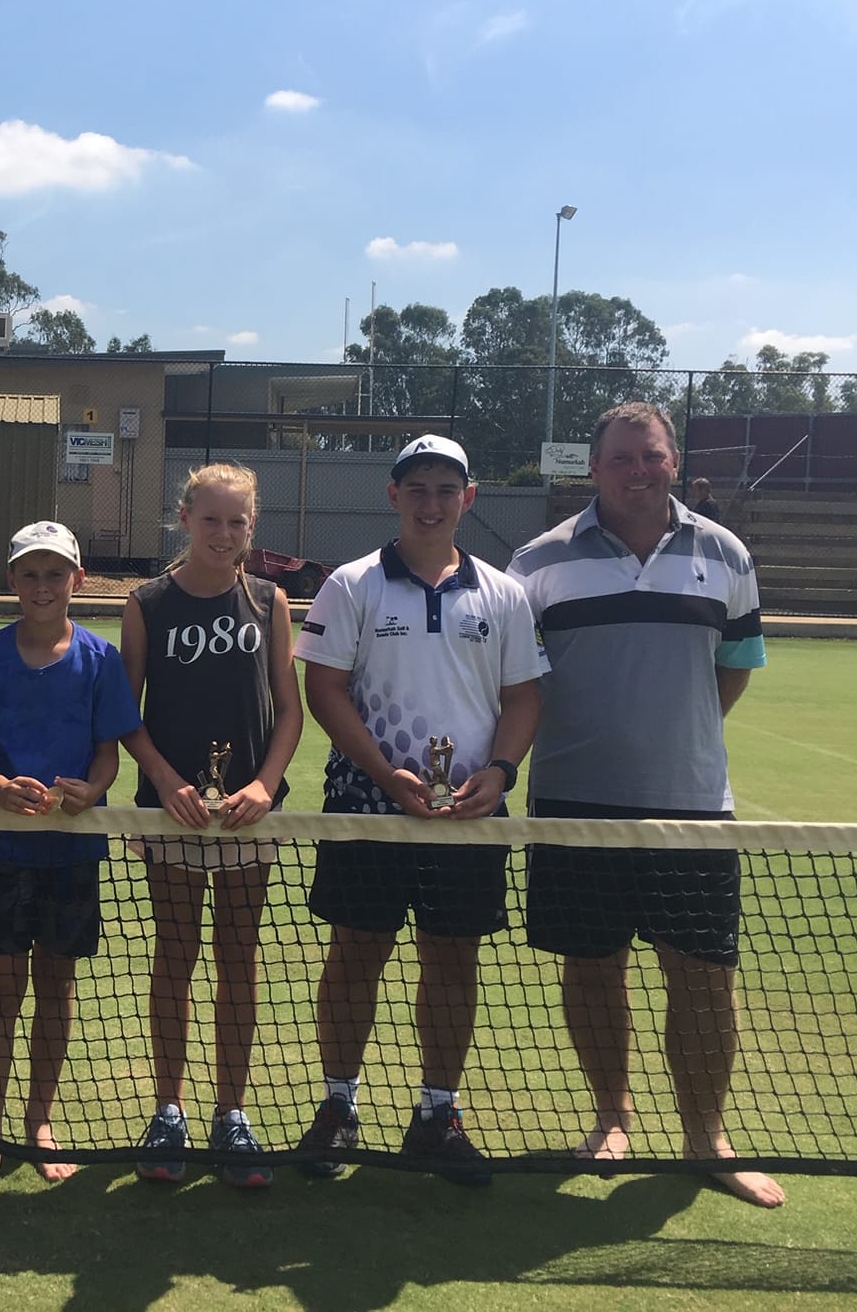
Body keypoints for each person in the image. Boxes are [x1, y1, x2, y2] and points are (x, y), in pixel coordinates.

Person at [509, 402, 785, 1209]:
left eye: (651, 456)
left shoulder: (725, 554)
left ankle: (707, 1139)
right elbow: (519, 682)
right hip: (571, 804)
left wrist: (675, 737)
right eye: (622, 458)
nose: (638, 470)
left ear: (673, 461)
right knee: (592, 970)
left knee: (704, 980)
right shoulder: (537, 562)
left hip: (692, 809)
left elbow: (734, 666)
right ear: (593, 469)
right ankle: (610, 1117)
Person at [293, 435, 543, 1187]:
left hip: (470, 814)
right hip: (368, 808)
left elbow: (525, 695)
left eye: (447, 489)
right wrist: (383, 771)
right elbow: (324, 691)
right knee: (355, 956)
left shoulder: (505, 594)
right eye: (417, 488)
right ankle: (338, 1108)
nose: (431, 503)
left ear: (468, 498)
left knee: (452, 958)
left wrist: (500, 772)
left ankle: (438, 1114)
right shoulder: (352, 584)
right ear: (393, 495)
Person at [0, 520, 142, 1210]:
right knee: (2, 992)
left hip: (70, 855)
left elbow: (110, 752)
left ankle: (38, 1125)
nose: (43, 585)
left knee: (56, 991)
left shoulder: (101, 659)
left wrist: (93, 788)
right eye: (30, 573)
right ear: (12, 581)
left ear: (77, 581)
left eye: (56, 573)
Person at [121, 463, 303, 1188]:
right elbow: (126, 717)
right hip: (171, 812)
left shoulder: (270, 601)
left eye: (238, 522)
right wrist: (165, 781)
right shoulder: (148, 602)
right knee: (174, 954)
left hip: (247, 817)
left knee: (238, 957)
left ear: (251, 527)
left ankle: (232, 1114)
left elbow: (288, 709)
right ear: (184, 519)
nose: (223, 535)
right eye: (210, 520)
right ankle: (169, 1111)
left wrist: (264, 783)